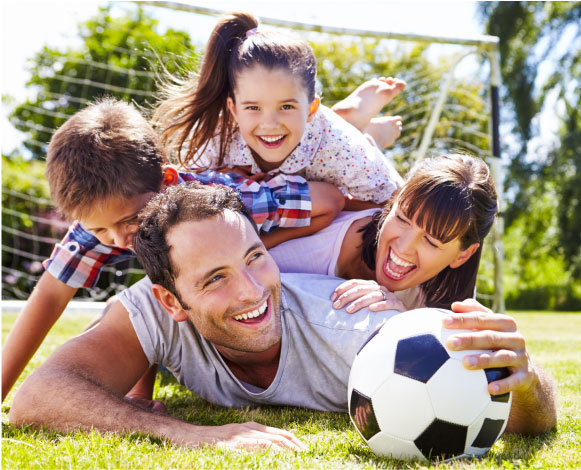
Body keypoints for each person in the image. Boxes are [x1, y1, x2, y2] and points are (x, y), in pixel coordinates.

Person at [9, 183, 557, 451]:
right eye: (215, 277)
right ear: (172, 302)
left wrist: (527, 382)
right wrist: (189, 435)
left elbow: (529, 419)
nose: (252, 291)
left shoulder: (362, 334)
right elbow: (36, 398)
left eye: (254, 257)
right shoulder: (150, 313)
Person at [1, 98, 346, 404]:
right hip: (197, 308)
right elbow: (48, 297)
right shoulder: (99, 224)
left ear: (166, 182)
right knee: (124, 305)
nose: (118, 239)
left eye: (130, 220)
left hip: (270, 274)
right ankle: (140, 393)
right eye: (99, 230)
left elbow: (329, 201)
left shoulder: (216, 203)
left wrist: (249, 252)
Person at [153, 11, 404, 209]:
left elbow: (389, 201)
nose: (269, 123)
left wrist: (330, 199)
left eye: (286, 106)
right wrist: (232, 175)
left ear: (311, 108)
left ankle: (370, 134)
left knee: (343, 155)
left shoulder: (341, 147)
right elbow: (189, 186)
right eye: (253, 107)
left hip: (323, 151)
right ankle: (353, 117)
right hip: (309, 134)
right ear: (233, 110)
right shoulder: (216, 135)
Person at [269, 153, 497, 312]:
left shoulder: (448, 302)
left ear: (462, 255)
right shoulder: (319, 241)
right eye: (401, 218)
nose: (404, 247)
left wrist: (399, 322)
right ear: (392, 205)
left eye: (431, 241)